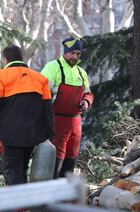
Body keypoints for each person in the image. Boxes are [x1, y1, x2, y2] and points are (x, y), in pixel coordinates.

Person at [0, 46, 54, 212]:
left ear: (5, 59)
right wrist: (49, 135)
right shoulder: (40, 78)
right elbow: (48, 110)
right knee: (22, 167)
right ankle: (22, 202)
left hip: (9, 133)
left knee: (12, 168)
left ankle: (17, 206)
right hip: (33, 134)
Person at [41, 37, 94, 178]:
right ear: (66, 52)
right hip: (57, 120)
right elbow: (41, 91)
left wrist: (86, 102)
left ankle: (65, 192)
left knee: (72, 157)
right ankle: (51, 190)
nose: (75, 57)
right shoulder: (52, 67)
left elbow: (88, 94)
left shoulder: (81, 73)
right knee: (57, 157)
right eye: (72, 53)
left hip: (76, 122)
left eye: (78, 54)